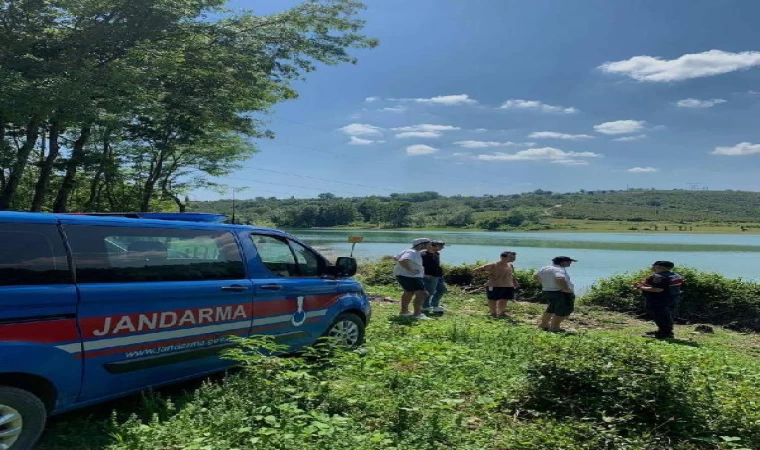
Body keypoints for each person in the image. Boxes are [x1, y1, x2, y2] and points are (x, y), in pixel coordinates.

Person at [635, 261, 683, 339]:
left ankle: (664, 333)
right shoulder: (676, 275)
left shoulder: (658, 276)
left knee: (659, 316)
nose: (652, 267)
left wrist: (640, 287)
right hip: (672, 299)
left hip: (659, 301)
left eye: (653, 265)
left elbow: (658, 289)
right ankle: (666, 330)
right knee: (666, 315)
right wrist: (645, 284)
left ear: (658, 266)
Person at [393, 238, 433, 319]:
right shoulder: (412, 252)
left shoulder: (409, 251)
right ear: (421, 244)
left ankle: (404, 312)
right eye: (428, 244)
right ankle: (417, 314)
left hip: (404, 275)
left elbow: (396, 258)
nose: (430, 245)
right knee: (422, 293)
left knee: (409, 292)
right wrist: (410, 270)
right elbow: (403, 260)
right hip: (410, 276)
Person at [535, 256, 577, 332]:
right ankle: (554, 327)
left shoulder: (545, 268)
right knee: (564, 310)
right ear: (562, 262)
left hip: (548, 291)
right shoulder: (559, 269)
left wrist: (545, 284)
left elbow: (536, 277)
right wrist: (566, 289)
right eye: (568, 261)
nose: (570, 263)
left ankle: (544, 324)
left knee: (551, 309)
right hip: (560, 292)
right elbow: (560, 278)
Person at [474, 251, 519, 318]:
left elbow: (512, 275)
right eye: (511, 257)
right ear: (503, 257)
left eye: (514, 257)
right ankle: (493, 313)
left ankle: (501, 313)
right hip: (494, 285)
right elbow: (476, 270)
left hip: (508, 285)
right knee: (493, 299)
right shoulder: (493, 265)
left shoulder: (510, 265)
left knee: (504, 299)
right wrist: (489, 274)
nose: (513, 258)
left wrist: (515, 282)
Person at [422, 240, 448, 313]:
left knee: (442, 289)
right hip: (428, 276)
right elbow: (418, 266)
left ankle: (434, 305)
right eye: (441, 246)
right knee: (429, 292)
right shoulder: (423, 254)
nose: (442, 248)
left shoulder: (437, 253)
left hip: (438, 276)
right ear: (434, 246)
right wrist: (423, 275)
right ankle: (425, 307)